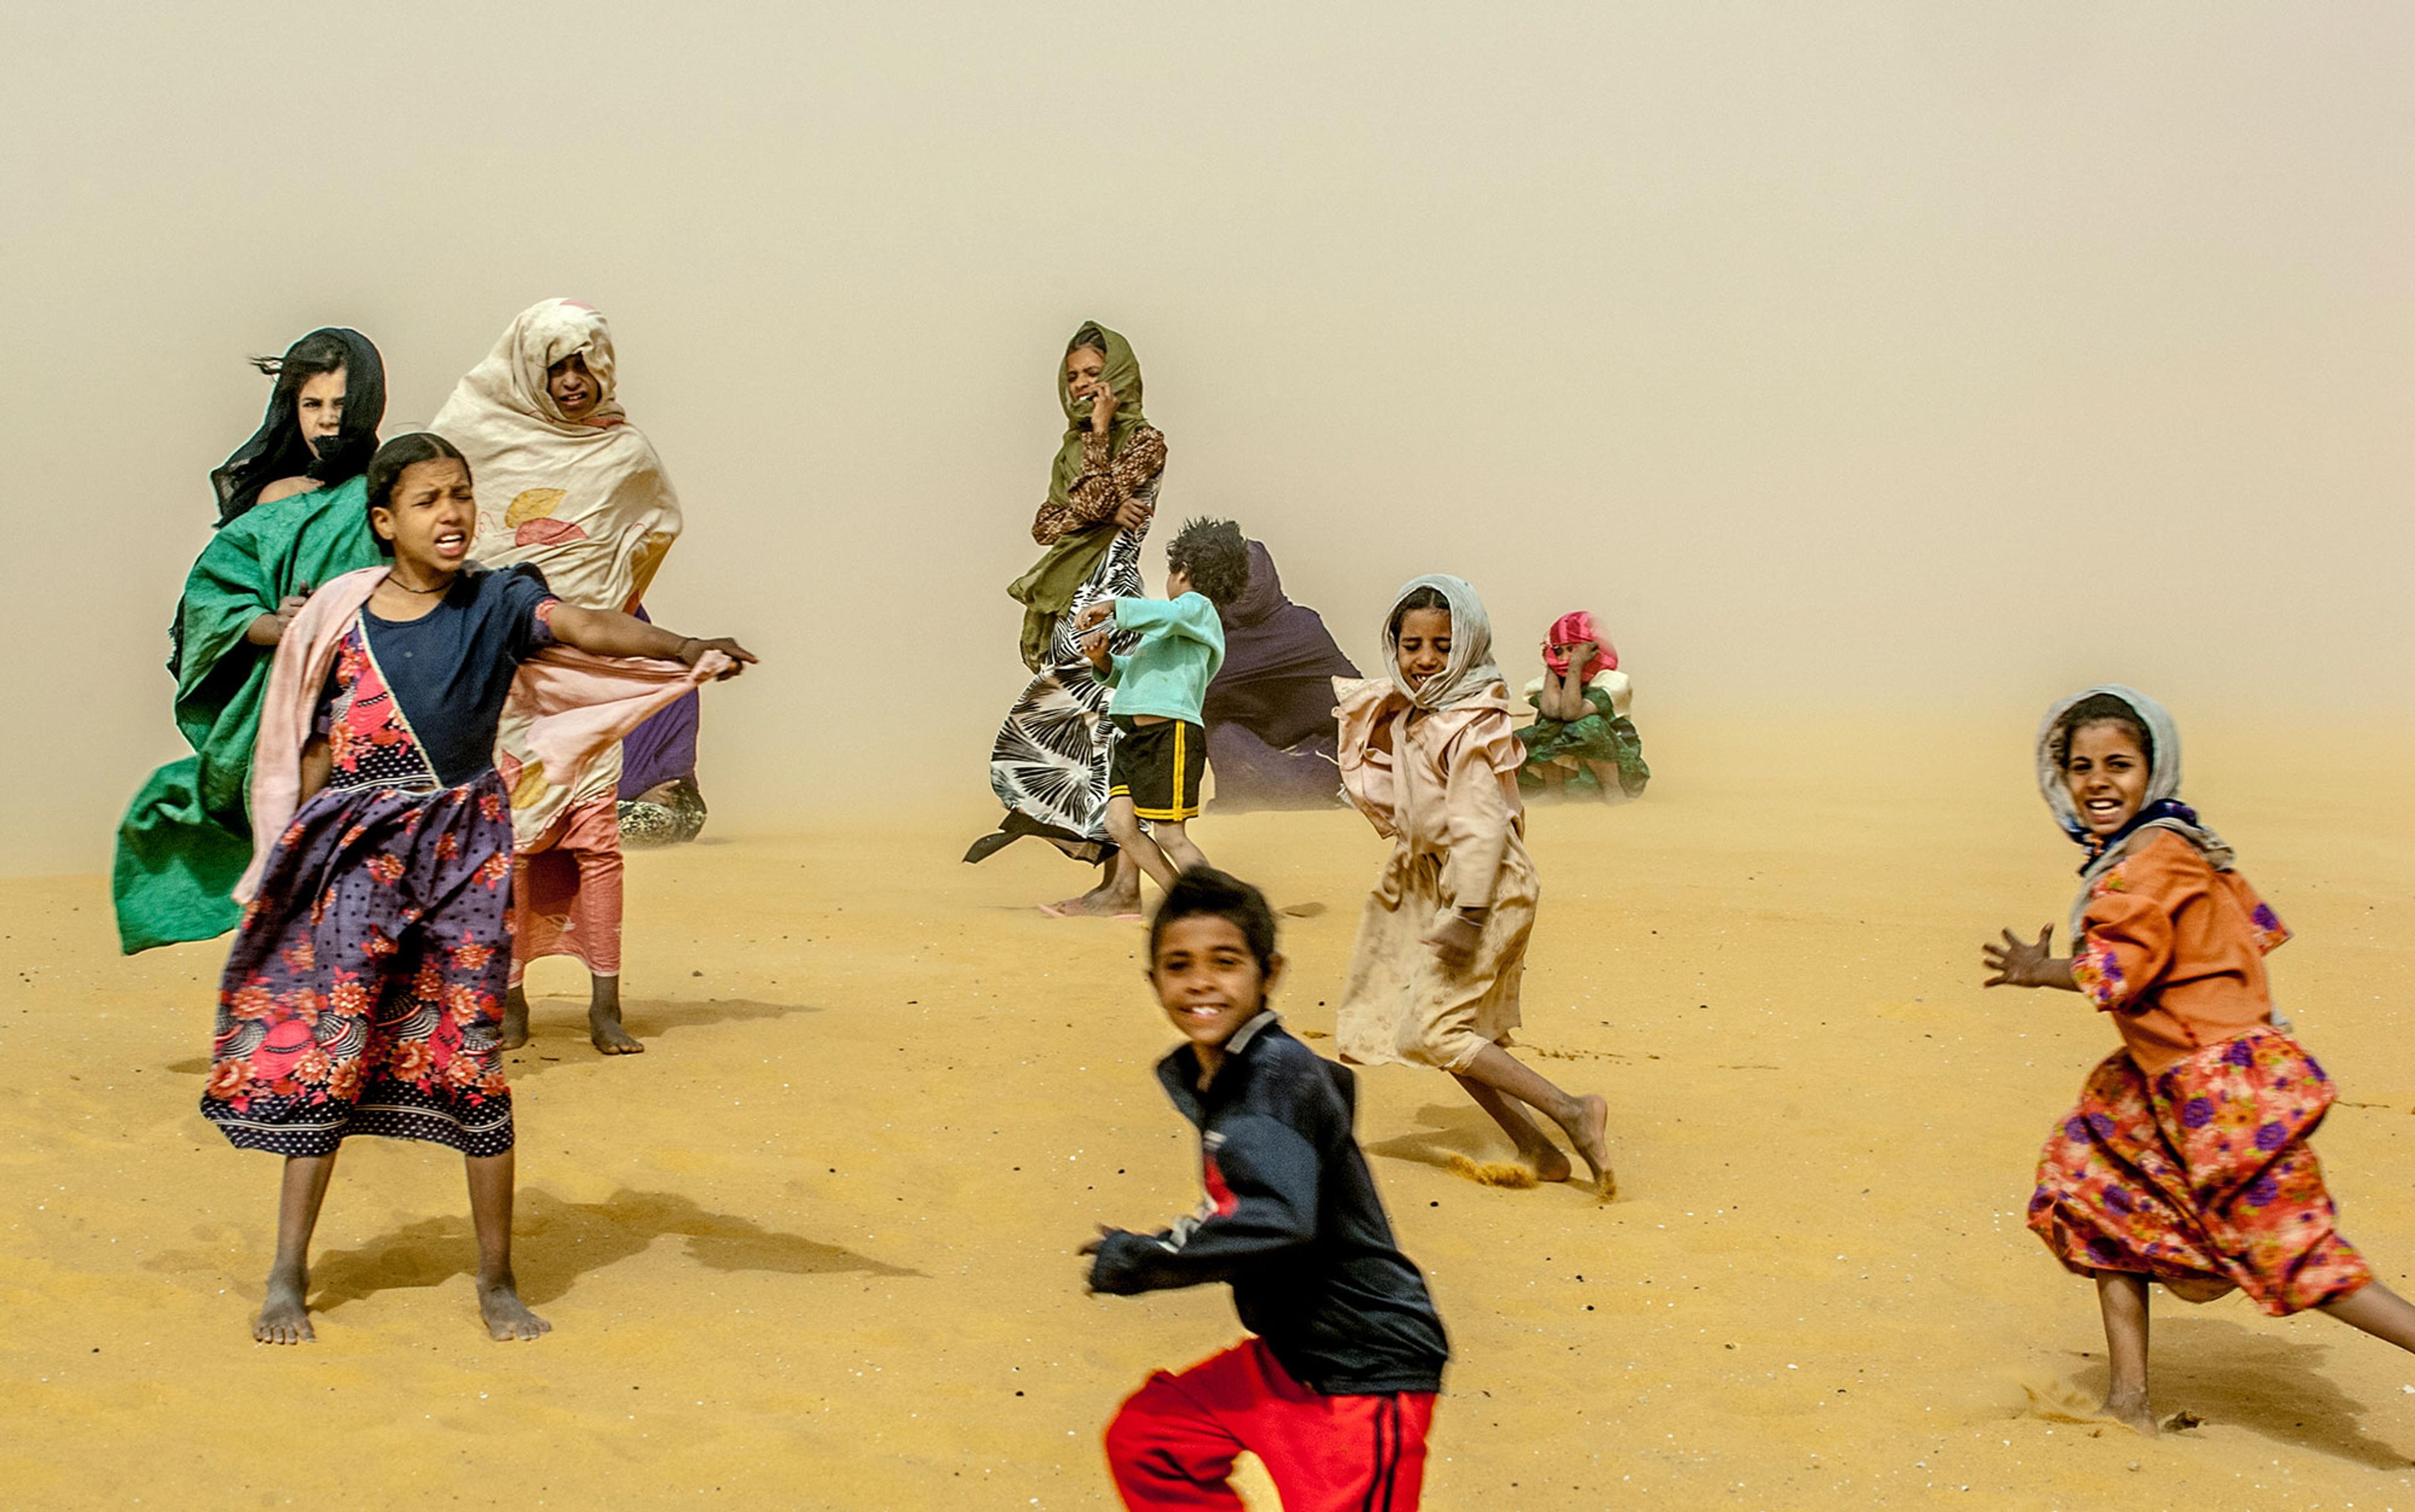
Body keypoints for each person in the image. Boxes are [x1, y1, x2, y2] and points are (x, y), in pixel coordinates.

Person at [202, 433, 754, 1346]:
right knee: (329, 1055)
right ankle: (287, 1272)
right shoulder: (341, 616)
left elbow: (584, 626)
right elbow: (308, 745)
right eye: (428, 500)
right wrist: (293, 859)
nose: (452, 512)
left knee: (472, 1061)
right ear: (385, 522)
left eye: (461, 494)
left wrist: (684, 644)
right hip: (355, 861)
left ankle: (497, 1282)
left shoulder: (502, 600)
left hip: (463, 858)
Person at [1984, 686, 2415, 1434]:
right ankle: (2129, 1403)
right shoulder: (2170, 845)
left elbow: (2115, 971)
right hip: (2171, 1085)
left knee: (2300, 1261)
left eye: (2119, 763)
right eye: (2081, 765)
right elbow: (2244, 934)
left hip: (2230, 1094)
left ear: (2154, 769)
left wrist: (2040, 969)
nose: (2098, 782)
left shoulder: (2152, 860)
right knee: (2092, 1191)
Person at [1085, 867, 1448, 1511]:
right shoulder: (1238, 1069)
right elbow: (1331, 1091)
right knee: (1155, 1438)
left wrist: (1146, 1257)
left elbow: (1276, 1218)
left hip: (1364, 1364)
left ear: (1269, 973)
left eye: (1224, 962)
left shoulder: (1271, 1073)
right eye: (1178, 964)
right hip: (1292, 1352)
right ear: (1153, 982)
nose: (1200, 981)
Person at [433, 299, 683, 1054]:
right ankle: (509, 1002)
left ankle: (605, 1005)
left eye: (585, 364)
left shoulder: (625, 452)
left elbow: (652, 530)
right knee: (512, 838)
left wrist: (601, 609)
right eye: (556, 366)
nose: (573, 382)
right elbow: (442, 519)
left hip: (586, 671)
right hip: (504, 671)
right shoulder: (475, 434)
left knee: (596, 839)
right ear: (528, 370)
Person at [1333, 578, 1614, 1195]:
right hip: (1441, 887)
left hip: (1481, 890)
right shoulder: (1420, 714)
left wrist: (1468, 913)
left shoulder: (1468, 722)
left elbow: (1483, 825)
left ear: (1468, 646)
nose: (1425, 658)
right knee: (1435, 1028)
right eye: (1412, 644)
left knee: (1436, 1030)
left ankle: (1570, 1110)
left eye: (1442, 644)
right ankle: (1534, 1143)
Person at [114, 328, 391, 953]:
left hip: (384, 696)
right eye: (311, 405)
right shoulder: (277, 498)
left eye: (340, 406)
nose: (325, 422)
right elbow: (219, 599)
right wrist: (279, 623)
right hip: (302, 706)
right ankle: (297, 992)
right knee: (306, 846)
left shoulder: (392, 488)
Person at [965, 322, 1167, 918]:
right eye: (1073, 376)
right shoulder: (1067, 453)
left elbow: (1094, 502)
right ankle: (1111, 878)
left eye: (1093, 375)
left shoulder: (1147, 440)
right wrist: (1094, 503)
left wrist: (1102, 439)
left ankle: (1124, 887)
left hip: (1111, 602)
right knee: (1074, 740)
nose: (1082, 385)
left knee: (1107, 739)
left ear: (1119, 378)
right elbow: (1046, 524)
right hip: (1068, 602)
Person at [1069, 518, 1248, 901]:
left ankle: (1221, 906)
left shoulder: (1197, 610)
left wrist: (1113, 607)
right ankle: (1183, 901)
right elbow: (1130, 675)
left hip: (1171, 737)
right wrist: (1103, 661)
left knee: (1169, 834)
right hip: (1136, 739)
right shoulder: (1171, 630)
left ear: (1184, 572)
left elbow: (1169, 615)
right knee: (1120, 824)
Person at [1200, 538, 1360, 810]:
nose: (1247, 587)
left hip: (1312, 764)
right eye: (1237, 576)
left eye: (1252, 574)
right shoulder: (1213, 636)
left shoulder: (1301, 628)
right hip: (1247, 770)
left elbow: (1356, 693)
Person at [1517, 609, 1648, 800]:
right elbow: (1553, 711)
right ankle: (1555, 792)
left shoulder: (1612, 682)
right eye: (1558, 651)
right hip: (1571, 765)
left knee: (1587, 726)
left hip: (1620, 764)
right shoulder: (1545, 686)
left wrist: (1576, 665)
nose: (1564, 658)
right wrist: (1553, 669)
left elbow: (1572, 712)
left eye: (1572, 649)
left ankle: (1612, 789)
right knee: (1539, 731)